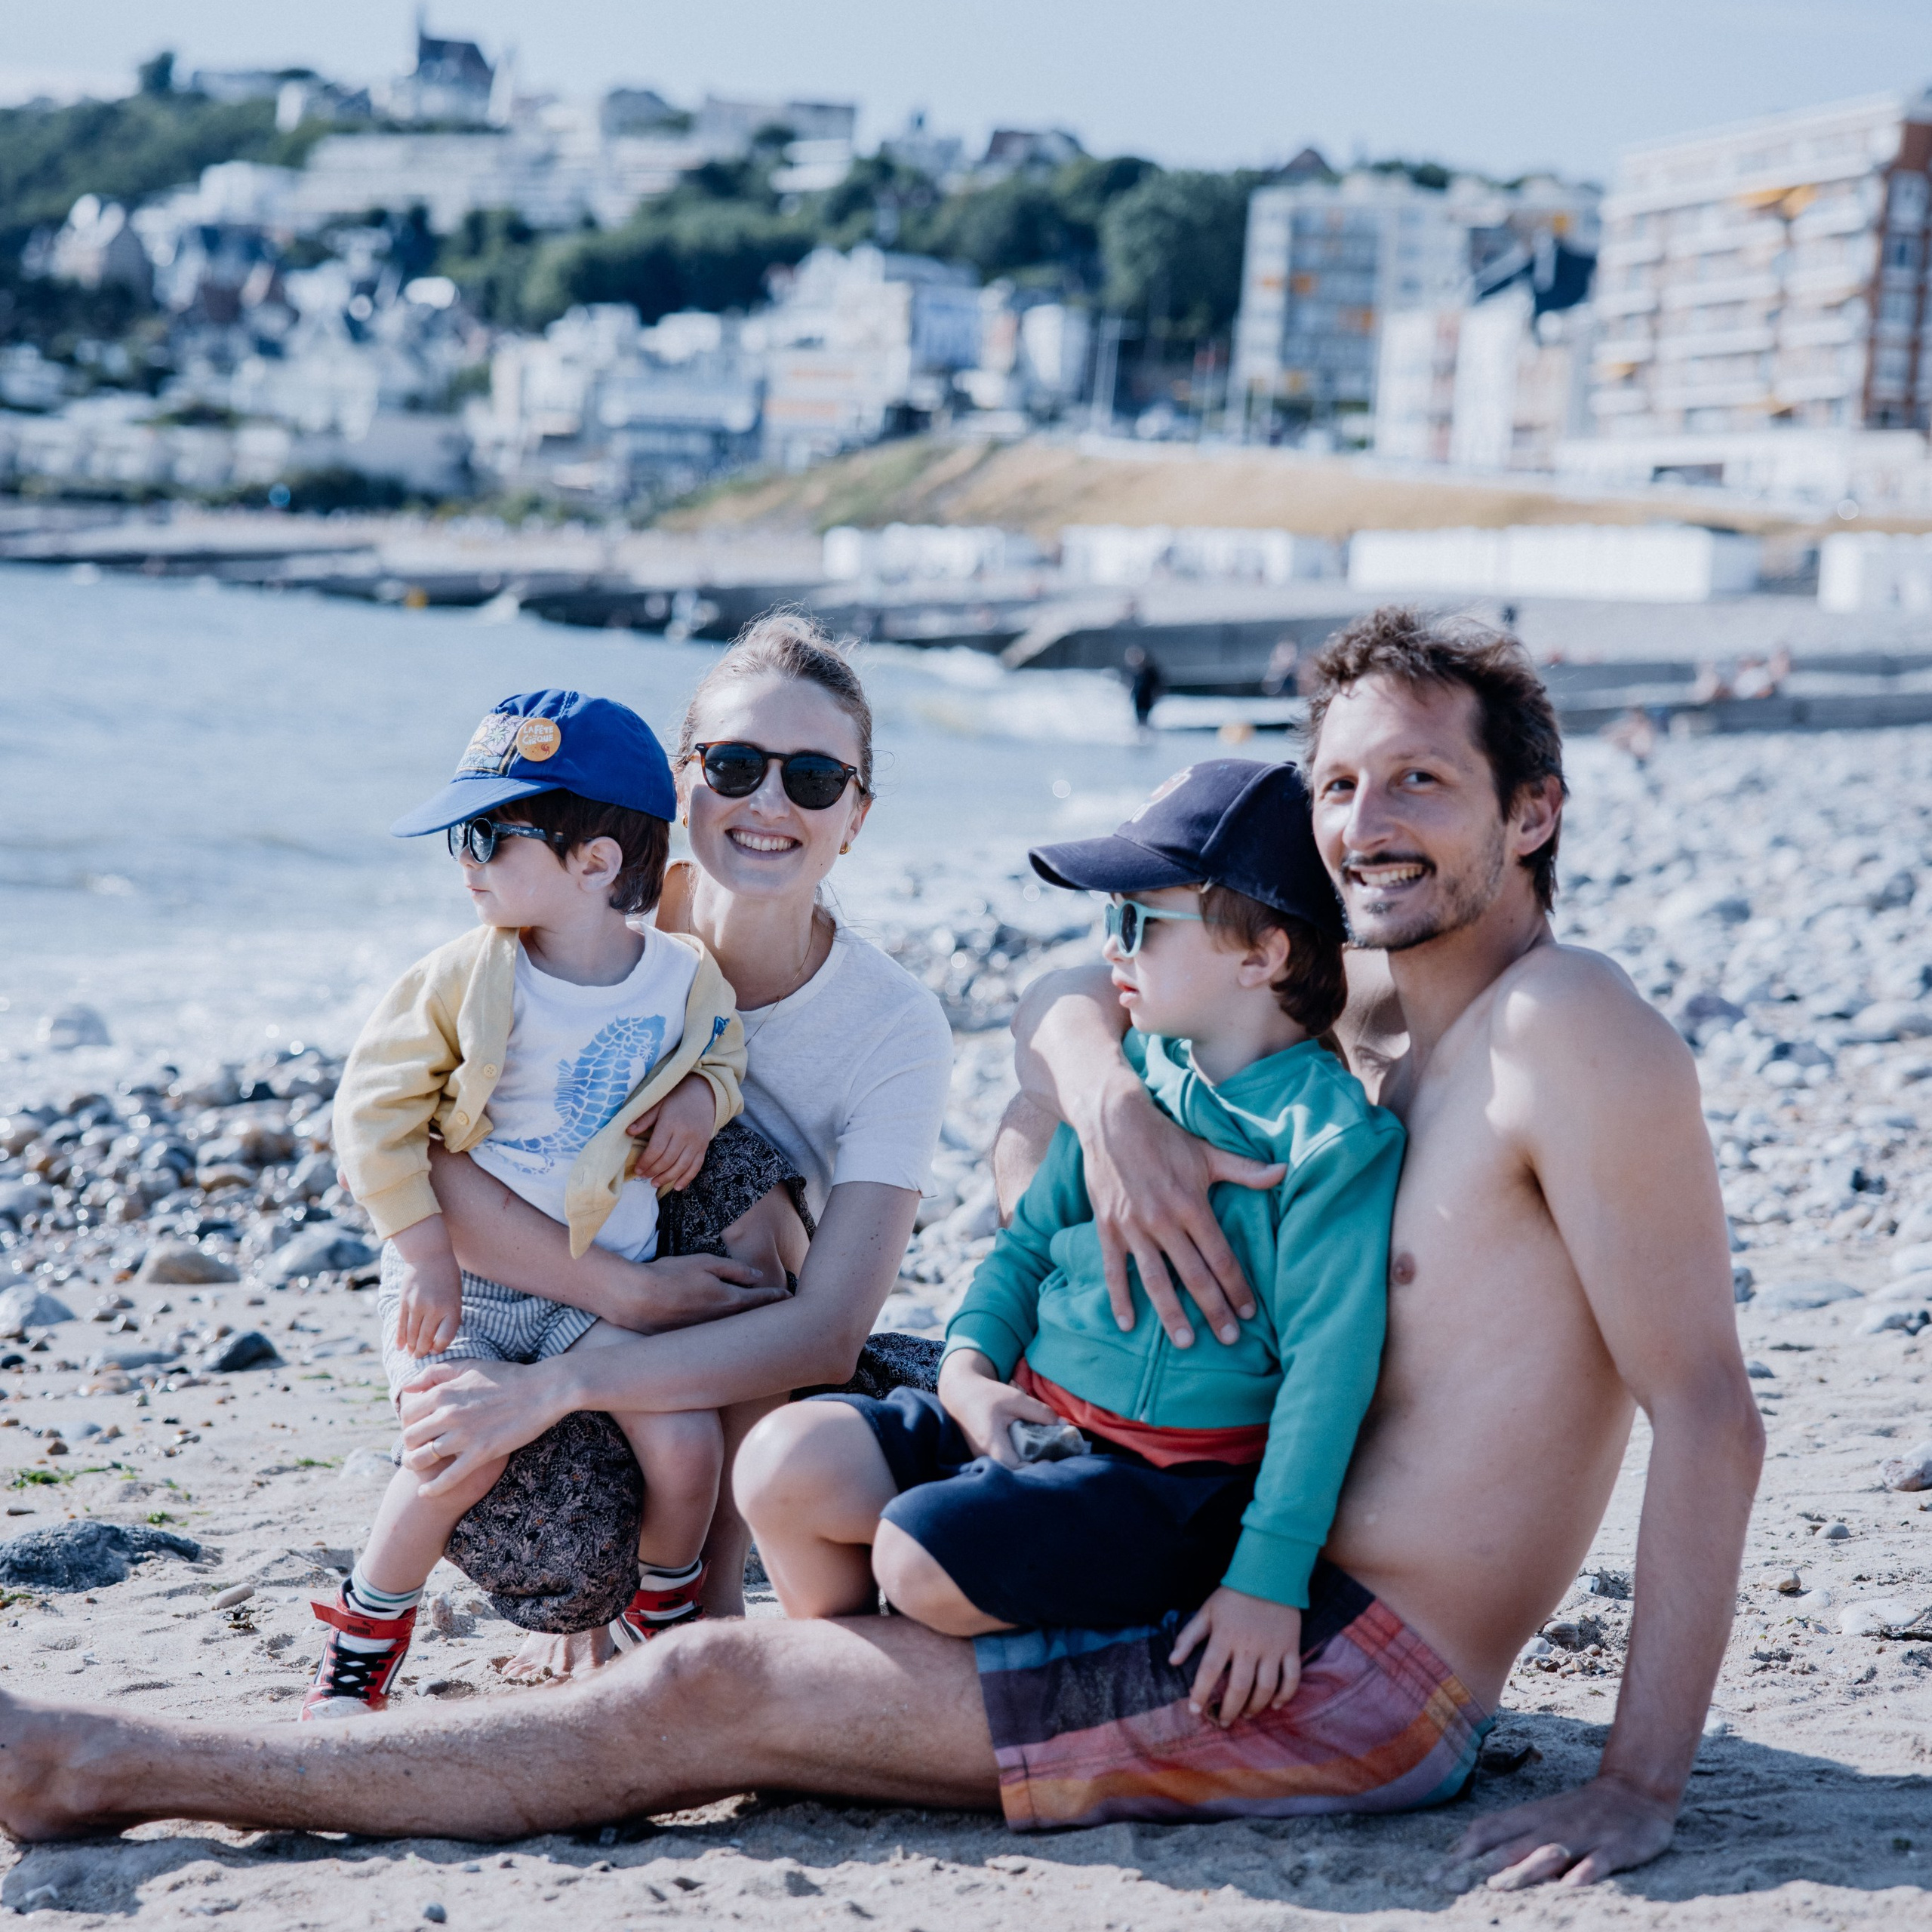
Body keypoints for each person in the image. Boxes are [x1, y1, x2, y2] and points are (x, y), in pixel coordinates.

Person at [0, 608, 1761, 1895]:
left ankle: (106, 1764)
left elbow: (1707, 1410)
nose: (1363, 819)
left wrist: (1638, 1778)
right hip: (1201, 1547)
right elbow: (1076, 981)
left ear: (1529, 809)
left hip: (1337, 1675)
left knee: (710, 1682)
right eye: (1336, 783)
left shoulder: (1566, 1031)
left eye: (1421, 784)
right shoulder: (1375, 1009)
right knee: (843, 1449)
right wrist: (1105, 1096)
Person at [739, 760, 1404, 1736]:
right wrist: (967, 1377)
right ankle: (856, 1707)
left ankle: (870, 1704)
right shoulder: (1129, 1082)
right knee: (782, 1462)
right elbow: (1021, 1256)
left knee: (915, 1555)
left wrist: (1269, 1575)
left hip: (1166, 1487)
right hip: (1033, 1424)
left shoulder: (1328, 1142)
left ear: (1262, 956)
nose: (1109, 948)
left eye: (1137, 923)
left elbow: (1327, 1373)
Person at [380, 614, 957, 1676]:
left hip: (739, 1360)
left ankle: (709, 1604)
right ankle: (599, 1618)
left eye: (815, 779)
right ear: (681, 783)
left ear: (858, 816)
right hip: (541, 1315)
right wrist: (619, 1301)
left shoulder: (891, 1024)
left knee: (737, 1172)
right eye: (735, 766)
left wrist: (571, 1384)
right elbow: (420, 1155)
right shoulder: (572, 919)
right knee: (528, 1523)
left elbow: (825, 1331)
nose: (769, 804)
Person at [317, 690, 752, 1716]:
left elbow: (724, 1050)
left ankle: (666, 1606)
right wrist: (422, 1250)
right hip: (464, 1288)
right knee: (449, 1449)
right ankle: (364, 1635)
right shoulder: (463, 975)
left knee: (687, 1444)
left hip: (604, 1288)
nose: (463, 862)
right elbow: (371, 1114)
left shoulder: (683, 979)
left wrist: (700, 1094)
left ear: (596, 862)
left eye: (489, 835)